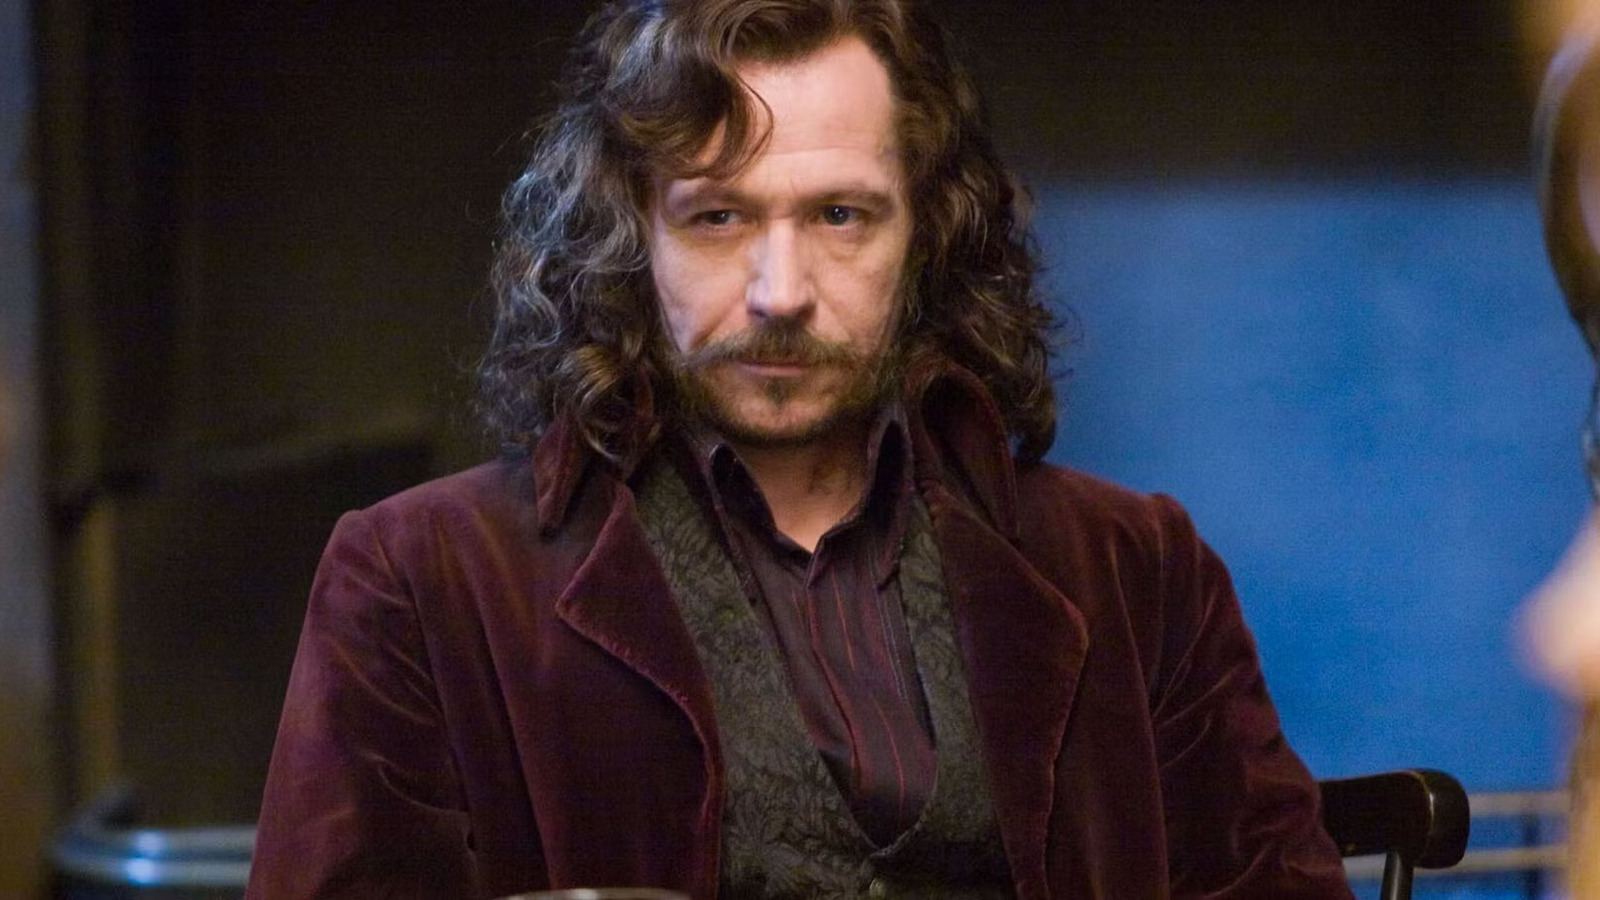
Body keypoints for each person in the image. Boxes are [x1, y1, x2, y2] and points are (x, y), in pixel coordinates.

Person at [246, 1, 1351, 896]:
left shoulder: (1134, 567)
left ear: (925, 234)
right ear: (632, 236)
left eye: (839, 216)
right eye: (717, 217)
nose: (780, 293)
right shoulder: (422, 576)